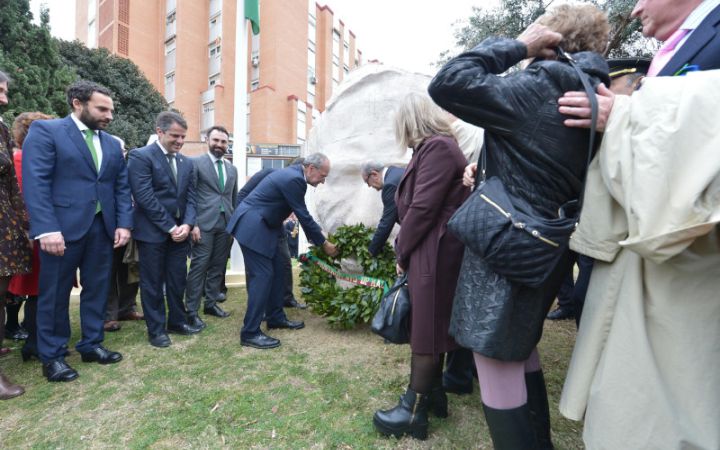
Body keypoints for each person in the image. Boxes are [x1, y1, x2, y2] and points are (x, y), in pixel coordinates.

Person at [428, 4, 610, 448]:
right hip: (548, 245)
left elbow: (447, 82)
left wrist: (517, 46)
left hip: (508, 244)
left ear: (550, 35)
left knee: (495, 359)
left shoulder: (539, 84)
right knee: (520, 349)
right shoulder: (595, 91)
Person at [557, 1, 720, 448]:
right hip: (636, 253)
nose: (634, 9)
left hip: (687, 264)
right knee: (626, 395)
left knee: (671, 403)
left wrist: (632, 116)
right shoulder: (675, 45)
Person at [372, 93, 469, 441]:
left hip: (434, 249)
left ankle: (413, 411)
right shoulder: (429, 149)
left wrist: (401, 252)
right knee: (433, 325)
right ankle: (435, 395)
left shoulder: (439, 148)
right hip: (433, 247)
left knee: (426, 331)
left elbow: (423, 209)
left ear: (410, 121)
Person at [23, 80, 133, 382]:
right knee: (54, 294)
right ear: (77, 103)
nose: (109, 116)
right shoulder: (47, 132)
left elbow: (120, 187)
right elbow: (36, 183)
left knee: (97, 289)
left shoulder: (111, 143)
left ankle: (91, 344)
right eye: (102, 109)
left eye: (110, 110)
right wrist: (46, 229)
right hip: (61, 231)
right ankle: (53, 356)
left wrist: (124, 223)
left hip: (102, 230)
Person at [547, 57, 651, 324]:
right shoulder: (599, 126)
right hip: (583, 220)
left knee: (593, 302)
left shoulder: (644, 131)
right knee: (580, 295)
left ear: (637, 84)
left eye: (608, 85)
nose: (598, 93)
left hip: (619, 236)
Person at [226, 153, 338, 350]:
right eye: (323, 176)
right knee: (263, 276)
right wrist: (324, 244)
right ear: (311, 168)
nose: (323, 181)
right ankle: (250, 332)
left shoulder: (293, 175)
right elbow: (302, 215)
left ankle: (276, 317)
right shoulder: (295, 179)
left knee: (279, 269)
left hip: (268, 226)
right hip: (254, 227)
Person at [128, 111, 199, 348]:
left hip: (180, 235)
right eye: (175, 136)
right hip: (152, 234)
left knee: (178, 280)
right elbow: (144, 197)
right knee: (152, 283)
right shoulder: (141, 156)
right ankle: (156, 329)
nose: (179, 141)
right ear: (160, 131)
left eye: (183, 137)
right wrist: (170, 227)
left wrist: (187, 225)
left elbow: (191, 198)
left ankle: (177, 321)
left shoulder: (186, 162)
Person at [5, 112, 52, 364]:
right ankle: (35, 343)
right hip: (35, 235)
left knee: (37, 291)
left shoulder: (18, 158)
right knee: (39, 291)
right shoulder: (25, 159)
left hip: (30, 233)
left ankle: (34, 340)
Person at [185, 125, 237, 328]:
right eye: (216, 140)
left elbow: (234, 198)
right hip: (203, 225)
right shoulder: (195, 163)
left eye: (224, 142)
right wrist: (193, 224)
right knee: (199, 267)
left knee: (218, 267)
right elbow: (189, 196)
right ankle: (191, 310)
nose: (219, 145)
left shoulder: (232, 169)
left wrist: (234, 226)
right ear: (207, 140)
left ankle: (211, 303)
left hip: (225, 225)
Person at [0, 70, 28, 399]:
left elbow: (13, 187)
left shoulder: (3, 130)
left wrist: (25, 224)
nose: (5, 98)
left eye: (6, 92)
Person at [104, 135, 143, 333]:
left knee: (130, 270)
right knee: (107, 273)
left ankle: (127, 308)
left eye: (123, 150)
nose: (122, 154)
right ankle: (109, 316)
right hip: (107, 230)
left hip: (131, 228)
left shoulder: (129, 171)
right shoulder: (102, 172)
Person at [360, 161, 404, 257]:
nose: (369, 186)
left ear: (374, 174)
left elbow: (387, 222)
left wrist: (371, 251)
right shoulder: (395, 171)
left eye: (367, 181)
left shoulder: (389, 186)